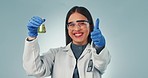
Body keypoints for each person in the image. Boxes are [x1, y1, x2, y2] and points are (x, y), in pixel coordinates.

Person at [23, 6, 111, 78]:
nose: (76, 29)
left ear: (90, 26)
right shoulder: (55, 54)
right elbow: (34, 70)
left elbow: (102, 64)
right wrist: (32, 36)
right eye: (72, 24)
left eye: (82, 23)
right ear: (67, 28)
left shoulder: (96, 55)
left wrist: (99, 47)